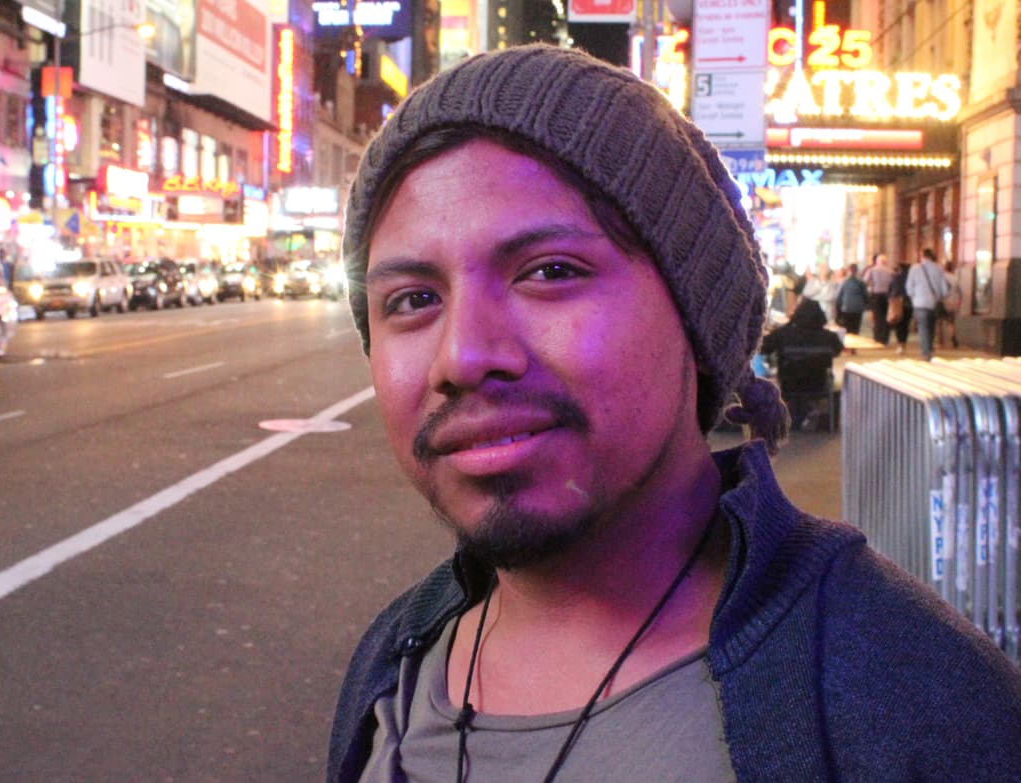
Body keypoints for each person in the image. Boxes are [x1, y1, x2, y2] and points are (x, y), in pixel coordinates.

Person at [328, 44, 1021, 783]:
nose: (462, 357)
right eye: (412, 300)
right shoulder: (393, 665)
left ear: (693, 317)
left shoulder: (911, 705)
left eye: (551, 272)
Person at [760, 298, 844, 430]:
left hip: (789, 383)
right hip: (818, 383)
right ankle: (810, 412)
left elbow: (763, 348)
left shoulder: (782, 334)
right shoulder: (830, 337)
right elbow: (837, 351)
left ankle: (794, 413)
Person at [905, 248, 950, 360]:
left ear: (922, 256)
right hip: (933, 303)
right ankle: (929, 347)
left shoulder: (915, 268)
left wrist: (913, 297)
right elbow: (944, 288)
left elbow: (909, 287)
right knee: (931, 326)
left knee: (923, 327)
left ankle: (926, 352)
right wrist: (940, 297)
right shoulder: (939, 268)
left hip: (919, 303)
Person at [862, 252, 892, 345]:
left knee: (878, 317)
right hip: (888, 296)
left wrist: (870, 287)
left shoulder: (872, 270)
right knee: (886, 317)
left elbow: (865, 282)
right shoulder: (890, 271)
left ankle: (878, 338)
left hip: (876, 295)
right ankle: (885, 338)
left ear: (877, 261)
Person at [834, 263, 868, 337]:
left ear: (848, 271)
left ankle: (846, 346)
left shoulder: (844, 282)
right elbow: (865, 296)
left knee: (846, 329)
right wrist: (865, 306)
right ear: (857, 271)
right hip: (858, 309)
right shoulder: (861, 282)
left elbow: (839, 297)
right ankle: (853, 347)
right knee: (855, 329)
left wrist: (838, 311)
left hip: (846, 309)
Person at [888, 259, 913, 354]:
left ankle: (900, 344)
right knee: (906, 324)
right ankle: (904, 343)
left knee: (898, 324)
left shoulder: (896, 278)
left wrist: (891, 299)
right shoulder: (911, 278)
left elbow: (891, 291)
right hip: (909, 303)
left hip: (897, 303)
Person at [939, 259, 963, 349]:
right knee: (951, 322)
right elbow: (960, 292)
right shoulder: (955, 278)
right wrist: (959, 302)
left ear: (944, 268)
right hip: (952, 302)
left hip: (942, 301)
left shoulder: (941, 277)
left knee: (939, 322)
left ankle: (941, 342)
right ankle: (952, 338)